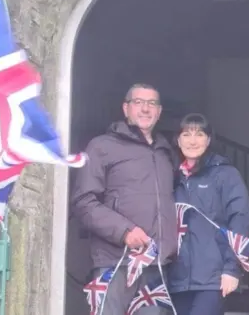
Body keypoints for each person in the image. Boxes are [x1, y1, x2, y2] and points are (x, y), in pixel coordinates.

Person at [70, 83, 178, 314]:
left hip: (155, 266)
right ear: (126, 108)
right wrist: (125, 231)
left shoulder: (165, 153)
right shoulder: (102, 146)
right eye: (138, 102)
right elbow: (84, 201)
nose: (145, 109)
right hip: (115, 262)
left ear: (159, 112)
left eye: (152, 103)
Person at [167, 113, 249, 315]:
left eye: (199, 134)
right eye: (186, 134)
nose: (192, 140)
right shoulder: (171, 177)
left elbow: (240, 219)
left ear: (209, 139)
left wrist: (232, 268)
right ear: (178, 140)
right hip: (176, 280)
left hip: (212, 279)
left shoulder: (225, 174)